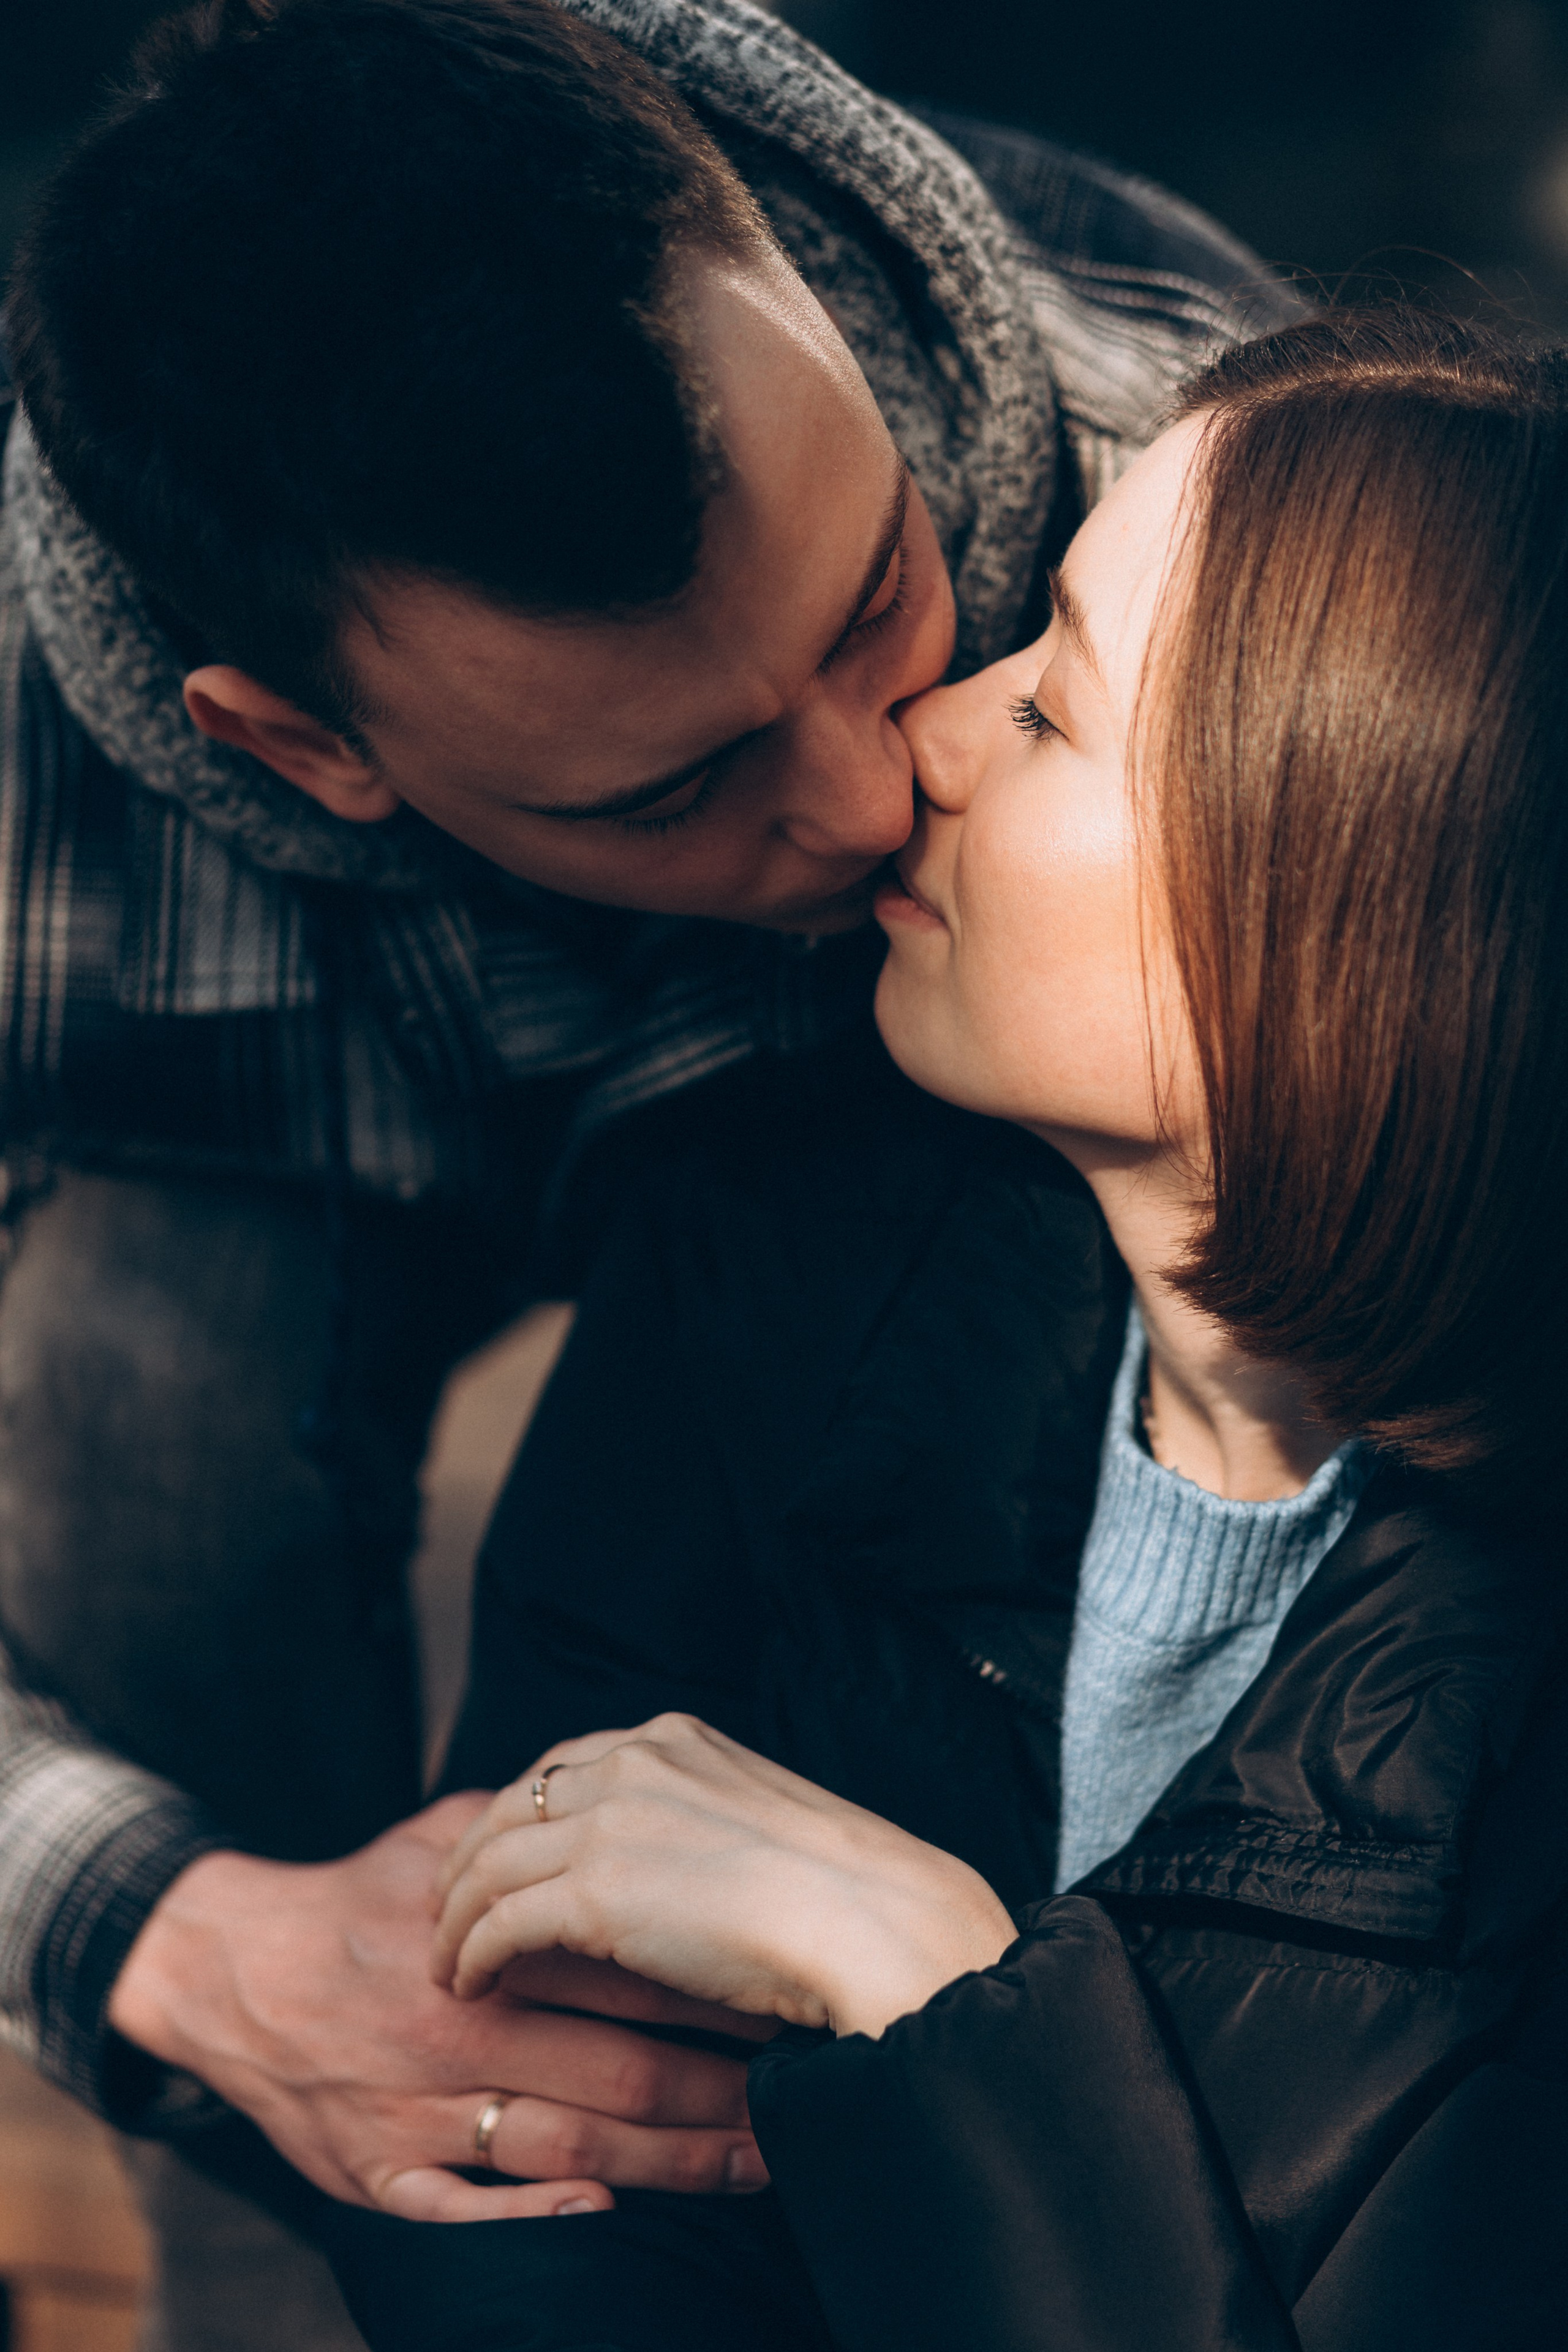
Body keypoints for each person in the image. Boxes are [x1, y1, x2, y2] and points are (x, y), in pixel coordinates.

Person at [0, 0, 1297, 2340]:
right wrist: (186, 1939)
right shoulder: (23, 757)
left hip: (966, 1203)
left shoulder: (1199, 484)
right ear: (299, 746)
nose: (872, 795)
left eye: (886, 598)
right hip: (283, 1196)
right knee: (130, 1405)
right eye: (660, 788)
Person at [311, 310, 1567, 2350]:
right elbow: (524, 2157)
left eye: (1055, 708)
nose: (932, 741)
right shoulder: (758, 1275)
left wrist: (936, 1999)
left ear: (1352, 918)